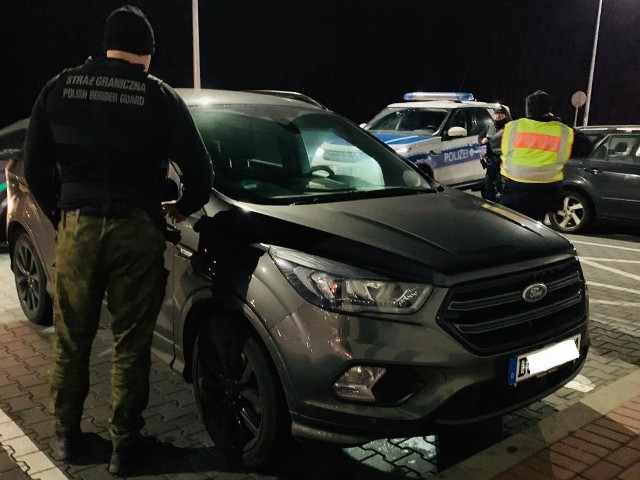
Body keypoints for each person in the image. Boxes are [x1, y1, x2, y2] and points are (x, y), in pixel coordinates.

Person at [23, 5, 213, 476]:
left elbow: (34, 168)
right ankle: (125, 448)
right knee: (131, 342)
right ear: (145, 54)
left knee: (71, 339)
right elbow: (201, 173)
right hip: (136, 228)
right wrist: (180, 208)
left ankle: (67, 439)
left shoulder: (59, 87)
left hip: (77, 229)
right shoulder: (158, 96)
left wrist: (64, 215)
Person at [498, 90, 591, 221]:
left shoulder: (513, 127)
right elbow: (586, 147)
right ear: (549, 109)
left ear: (527, 109)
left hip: (514, 188)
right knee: (537, 226)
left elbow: (496, 145)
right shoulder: (563, 131)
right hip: (546, 190)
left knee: (512, 225)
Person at [478, 105, 508, 201]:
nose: (498, 116)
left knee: (502, 185)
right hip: (492, 160)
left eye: (501, 114)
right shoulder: (490, 126)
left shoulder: (509, 127)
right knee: (488, 185)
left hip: (504, 160)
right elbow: (480, 138)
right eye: (496, 114)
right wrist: (483, 140)